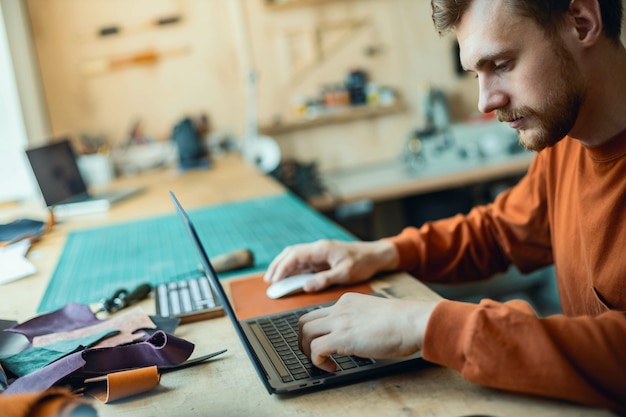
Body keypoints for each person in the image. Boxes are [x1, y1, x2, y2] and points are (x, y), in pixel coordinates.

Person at [263, 0, 626, 413]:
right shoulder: (569, 143)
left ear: (582, 22)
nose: (485, 102)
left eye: (502, 64)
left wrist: (428, 325)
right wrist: (381, 252)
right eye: (476, 74)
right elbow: (498, 232)